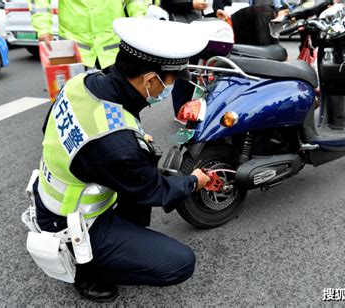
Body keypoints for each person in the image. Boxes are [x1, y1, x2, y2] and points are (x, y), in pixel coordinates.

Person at [30, 18, 211, 302]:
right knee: (180, 263)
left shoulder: (84, 82)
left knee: (143, 159)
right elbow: (155, 190)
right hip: (71, 222)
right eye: (172, 79)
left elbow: (49, 127)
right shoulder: (117, 146)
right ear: (151, 79)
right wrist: (193, 182)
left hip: (56, 195)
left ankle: (117, 239)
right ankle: (86, 268)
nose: (170, 88)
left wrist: (128, 145)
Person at [28, 0, 148, 69]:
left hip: (112, 43)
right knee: (75, 100)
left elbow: (135, 1)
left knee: (118, 100)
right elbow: (40, 2)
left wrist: (140, 21)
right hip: (75, 45)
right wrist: (43, 28)